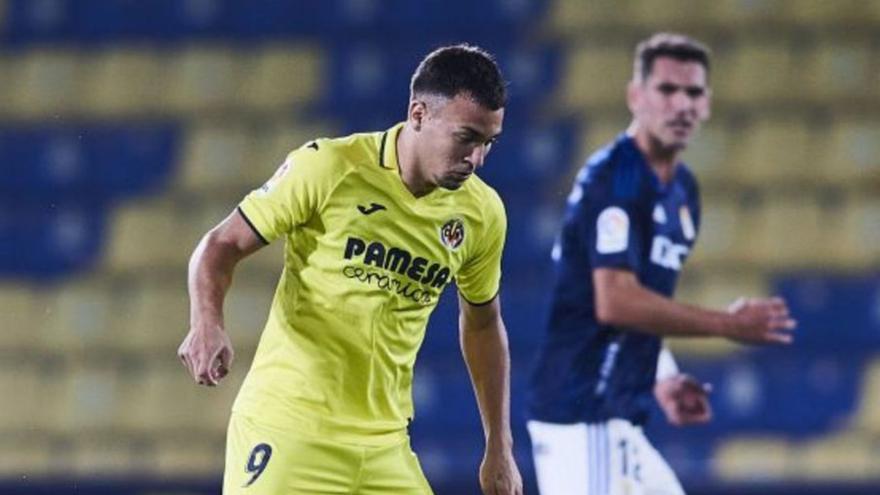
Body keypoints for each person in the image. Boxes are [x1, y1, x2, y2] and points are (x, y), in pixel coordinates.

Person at [177, 44, 523, 495]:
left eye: (488, 143)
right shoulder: (330, 168)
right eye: (466, 138)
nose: (476, 159)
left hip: (384, 446)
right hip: (289, 430)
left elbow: (482, 324)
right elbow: (221, 245)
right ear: (418, 114)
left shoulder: (482, 214)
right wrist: (207, 321)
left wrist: (499, 445)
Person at [526, 33, 797, 495]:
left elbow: (644, 301)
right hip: (582, 412)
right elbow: (614, 301)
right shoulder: (613, 179)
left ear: (708, 103)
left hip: (619, 416)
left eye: (693, 92)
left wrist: (664, 376)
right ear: (636, 96)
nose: (682, 105)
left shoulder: (682, 191)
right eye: (667, 90)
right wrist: (726, 324)